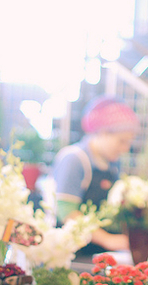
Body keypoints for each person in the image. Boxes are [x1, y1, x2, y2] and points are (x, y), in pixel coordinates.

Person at [52, 95, 139, 255]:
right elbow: (67, 213)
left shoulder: (112, 164)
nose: (125, 149)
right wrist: (108, 240)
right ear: (103, 132)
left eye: (129, 142)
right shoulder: (74, 159)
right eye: (121, 141)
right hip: (70, 252)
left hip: (96, 251)